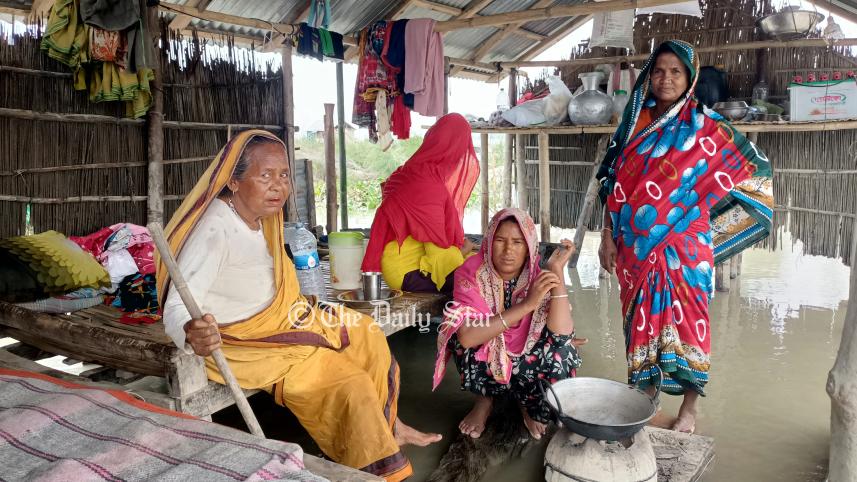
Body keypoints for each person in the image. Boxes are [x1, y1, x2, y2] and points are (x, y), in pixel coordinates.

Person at [157, 130, 440, 481]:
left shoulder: (262, 217)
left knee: (367, 332)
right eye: (265, 176)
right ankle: (377, 471)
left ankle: (387, 427)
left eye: (284, 175)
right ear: (233, 181)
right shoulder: (214, 231)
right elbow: (177, 307)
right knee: (350, 386)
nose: (279, 186)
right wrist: (191, 332)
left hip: (285, 318)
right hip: (253, 343)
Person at [595, 40, 774, 434]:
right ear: (649, 75)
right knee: (640, 324)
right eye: (659, 70)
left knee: (691, 323)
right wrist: (606, 236)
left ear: (690, 78)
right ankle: (646, 400)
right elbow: (610, 181)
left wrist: (711, 231)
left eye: (676, 72)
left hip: (685, 250)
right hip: (634, 249)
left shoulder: (707, 127)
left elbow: (755, 171)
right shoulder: (632, 122)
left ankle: (689, 410)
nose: (666, 79)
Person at [432, 208, 582, 440]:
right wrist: (526, 305)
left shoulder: (538, 275)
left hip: (526, 354)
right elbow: (468, 337)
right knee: (459, 332)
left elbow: (561, 336)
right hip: (484, 350)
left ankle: (527, 405)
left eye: (518, 242)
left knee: (563, 351)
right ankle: (484, 401)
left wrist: (556, 272)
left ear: (529, 247)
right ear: (489, 242)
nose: (508, 250)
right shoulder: (471, 272)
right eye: (500, 240)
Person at [362, 113, 480, 294]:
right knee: (477, 275)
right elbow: (439, 249)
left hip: (404, 264)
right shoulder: (428, 185)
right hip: (408, 273)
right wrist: (463, 251)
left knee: (477, 262)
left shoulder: (412, 171)